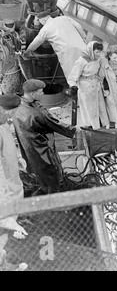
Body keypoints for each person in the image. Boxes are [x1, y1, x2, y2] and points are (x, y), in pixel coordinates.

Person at [12, 79, 77, 195]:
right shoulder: (37, 113)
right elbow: (56, 124)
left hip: (28, 149)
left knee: (39, 172)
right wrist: (75, 130)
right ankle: (55, 200)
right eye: (40, 92)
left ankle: (45, 189)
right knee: (52, 173)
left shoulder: (18, 104)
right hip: (42, 150)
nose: (42, 94)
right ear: (33, 94)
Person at [23, 12, 87, 81]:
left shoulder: (46, 29)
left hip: (67, 53)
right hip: (82, 47)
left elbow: (35, 43)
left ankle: (76, 90)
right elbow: (79, 27)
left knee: (72, 76)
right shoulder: (64, 18)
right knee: (86, 70)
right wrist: (83, 38)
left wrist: (27, 52)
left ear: (42, 20)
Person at [0, 94, 28, 239]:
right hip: (3, 175)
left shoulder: (3, 121)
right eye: (13, 111)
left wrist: (17, 157)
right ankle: (8, 229)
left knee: (17, 190)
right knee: (7, 198)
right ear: (5, 109)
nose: (14, 114)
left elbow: (9, 140)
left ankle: (14, 220)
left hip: (11, 168)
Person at [68, 41, 109, 130]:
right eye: (97, 52)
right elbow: (72, 76)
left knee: (99, 105)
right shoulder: (82, 61)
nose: (99, 54)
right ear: (91, 51)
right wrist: (73, 85)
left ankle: (100, 124)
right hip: (86, 86)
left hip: (96, 84)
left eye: (100, 52)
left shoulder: (97, 59)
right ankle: (90, 125)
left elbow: (100, 71)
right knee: (88, 107)